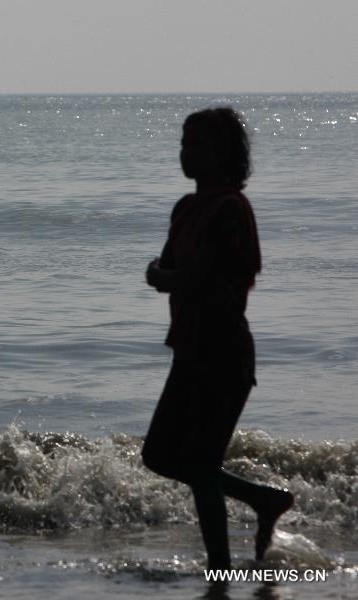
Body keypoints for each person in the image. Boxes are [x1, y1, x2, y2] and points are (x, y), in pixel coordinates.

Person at [142, 108, 294, 569]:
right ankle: (262, 500)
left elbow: (187, 276)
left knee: (201, 462)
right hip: (188, 348)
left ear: (224, 154)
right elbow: (169, 269)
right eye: (183, 144)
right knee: (160, 454)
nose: (185, 153)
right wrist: (167, 275)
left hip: (223, 352)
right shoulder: (187, 207)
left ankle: (220, 571)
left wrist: (165, 276)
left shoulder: (231, 208)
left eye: (197, 146)